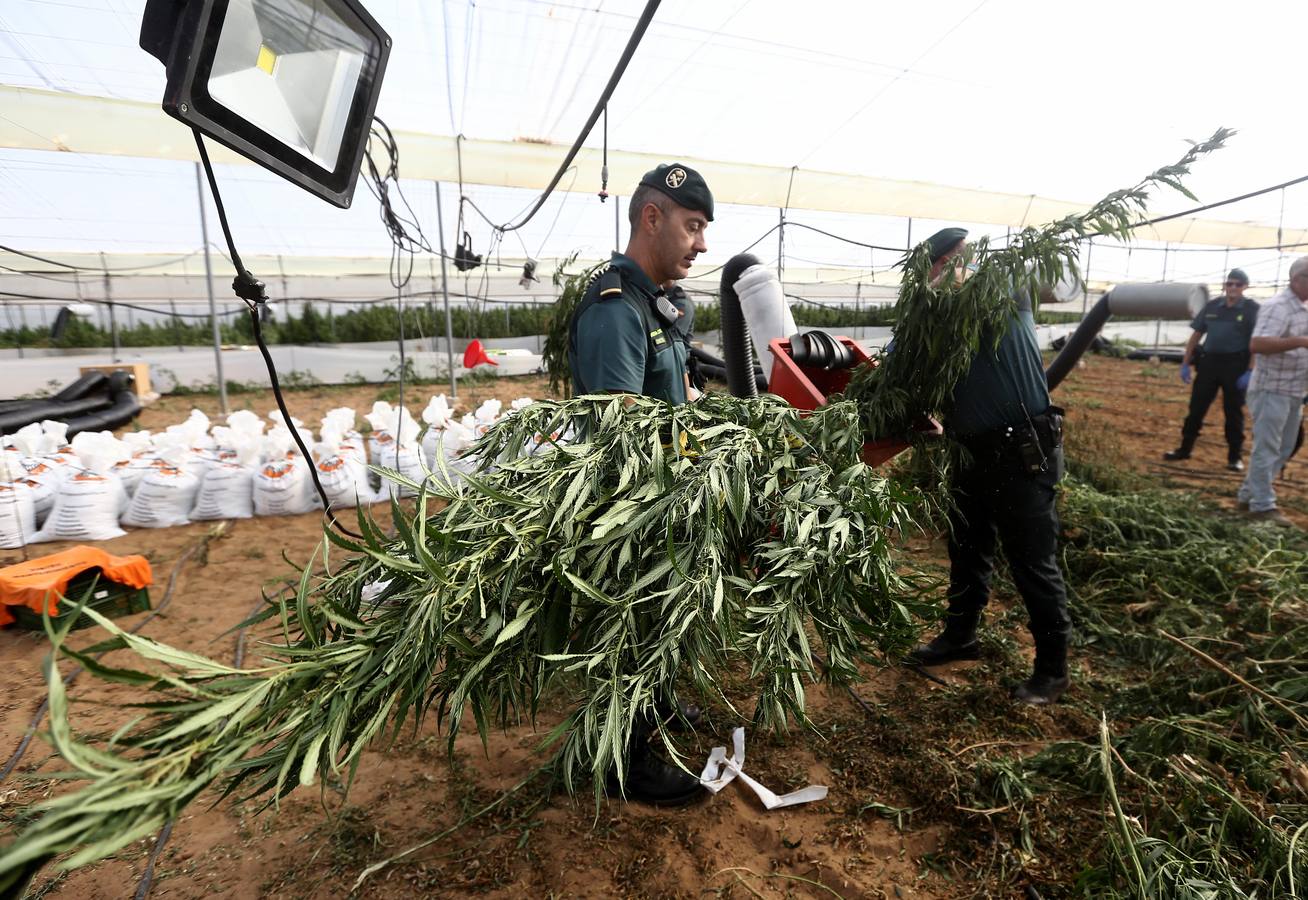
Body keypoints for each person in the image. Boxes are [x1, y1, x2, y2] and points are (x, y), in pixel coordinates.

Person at [566, 163, 713, 806]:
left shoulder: (661, 304)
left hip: (665, 493)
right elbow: (617, 429)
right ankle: (620, 763)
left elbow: (676, 391)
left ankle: (653, 706)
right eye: (692, 226)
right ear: (652, 218)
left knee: (662, 621)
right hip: (631, 507)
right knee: (632, 622)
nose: (701, 244)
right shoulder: (615, 309)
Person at [906, 227, 1073, 706]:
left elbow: (1047, 277)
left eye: (957, 262)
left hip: (1023, 452)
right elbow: (903, 367)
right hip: (968, 451)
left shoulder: (1002, 290)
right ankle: (960, 636)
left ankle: (1052, 670)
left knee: (1032, 563)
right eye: (939, 269)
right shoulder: (932, 318)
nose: (949, 274)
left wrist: (965, 272)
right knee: (967, 550)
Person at [1235, 256, 1308, 527]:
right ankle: (1263, 505)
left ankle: (1247, 496)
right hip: (1271, 389)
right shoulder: (1278, 306)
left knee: (1285, 447)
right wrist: (1300, 341)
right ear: (1296, 279)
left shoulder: (1302, 308)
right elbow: (1258, 344)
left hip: (1292, 389)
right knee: (1267, 446)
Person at [1163, 269, 1258, 470]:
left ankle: (1234, 457)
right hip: (1209, 364)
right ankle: (1184, 449)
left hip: (1235, 366)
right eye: (1229, 283)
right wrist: (1185, 363)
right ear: (1225, 285)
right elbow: (1196, 335)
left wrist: (1250, 370)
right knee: (1196, 408)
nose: (1233, 288)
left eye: (1238, 284)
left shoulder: (1251, 310)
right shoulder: (1213, 306)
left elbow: (1255, 343)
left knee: (1233, 412)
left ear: (1244, 287)